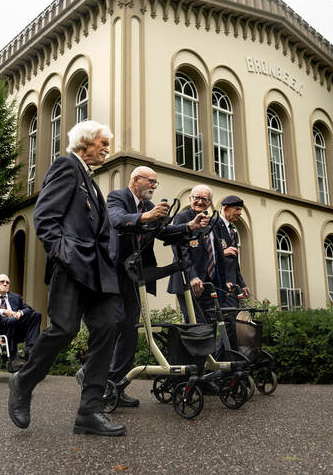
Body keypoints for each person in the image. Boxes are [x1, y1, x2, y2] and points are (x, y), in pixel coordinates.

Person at [8, 120, 125, 437]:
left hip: (98, 270)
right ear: (85, 142)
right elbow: (45, 217)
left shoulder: (91, 180)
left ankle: (90, 411)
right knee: (64, 329)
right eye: (102, 142)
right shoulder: (66, 166)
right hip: (73, 266)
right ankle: (24, 380)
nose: (106, 148)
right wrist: (63, 254)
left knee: (106, 328)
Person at [95, 166, 209, 407]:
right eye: (152, 182)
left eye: (156, 183)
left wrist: (190, 227)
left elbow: (165, 233)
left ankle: (115, 386)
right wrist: (148, 216)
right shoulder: (118, 197)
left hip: (136, 276)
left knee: (129, 330)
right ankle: (92, 376)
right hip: (114, 274)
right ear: (136, 179)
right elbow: (116, 220)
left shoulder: (148, 207)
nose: (155, 187)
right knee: (116, 325)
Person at [166, 184, 225, 324]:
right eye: (196, 197)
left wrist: (223, 281)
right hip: (189, 281)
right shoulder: (182, 217)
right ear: (190, 198)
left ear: (210, 202)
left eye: (204, 199)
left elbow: (217, 253)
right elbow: (180, 249)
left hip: (209, 283)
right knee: (196, 325)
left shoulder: (213, 222)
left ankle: (211, 347)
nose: (200, 201)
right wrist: (192, 276)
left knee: (211, 324)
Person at [0, 274, 42, 373]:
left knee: (36, 315)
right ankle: (13, 359)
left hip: (16, 323)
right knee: (11, 320)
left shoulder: (15, 297)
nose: (5, 284)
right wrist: (3, 311)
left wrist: (20, 312)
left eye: (7, 282)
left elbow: (29, 309)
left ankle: (30, 350)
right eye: (2, 282)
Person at [214, 195, 250, 309]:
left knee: (233, 320)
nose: (240, 213)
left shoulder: (233, 230)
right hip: (220, 284)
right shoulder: (213, 225)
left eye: (240, 209)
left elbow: (235, 263)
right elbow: (206, 254)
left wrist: (241, 284)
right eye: (237, 209)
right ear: (226, 208)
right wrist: (223, 252)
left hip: (232, 286)